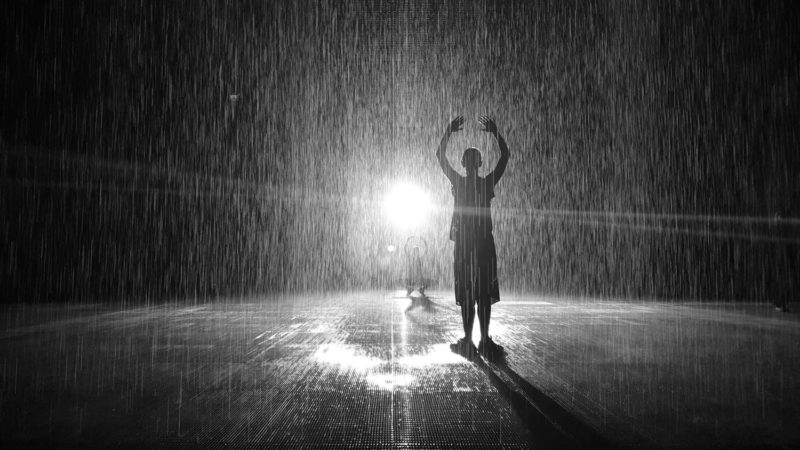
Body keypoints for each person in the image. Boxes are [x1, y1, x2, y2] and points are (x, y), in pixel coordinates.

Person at [437, 115, 510, 359]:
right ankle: (484, 339)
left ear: (467, 163)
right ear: (479, 163)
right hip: (482, 243)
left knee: (469, 293)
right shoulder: (486, 182)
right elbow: (505, 158)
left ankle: (469, 340)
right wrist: (496, 134)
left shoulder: (458, 182)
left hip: (466, 243)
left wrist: (448, 132)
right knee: (482, 293)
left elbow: (440, 156)